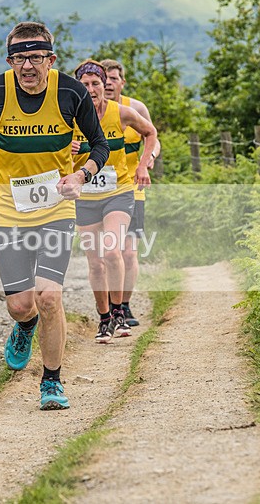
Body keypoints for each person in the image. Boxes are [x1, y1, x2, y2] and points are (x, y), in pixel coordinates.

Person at [0, 22, 109, 410]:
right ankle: (25, 325)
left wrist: (80, 176)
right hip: (9, 209)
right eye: (18, 58)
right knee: (20, 305)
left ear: (51, 59)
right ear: (9, 61)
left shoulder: (71, 92)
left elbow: (99, 144)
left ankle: (51, 381)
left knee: (49, 295)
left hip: (56, 208)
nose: (27, 66)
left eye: (35, 58)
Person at [71, 59, 157, 344]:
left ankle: (119, 311)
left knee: (112, 252)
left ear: (104, 84)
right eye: (85, 85)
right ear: (78, 88)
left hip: (118, 192)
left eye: (96, 83)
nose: (92, 89)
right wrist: (66, 148)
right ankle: (104, 317)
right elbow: (49, 153)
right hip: (85, 197)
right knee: (95, 263)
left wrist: (143, 165)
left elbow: (151, 133)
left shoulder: (121, 112)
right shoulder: (68, 117)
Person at [100, 58, 161, 327]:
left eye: (113, 79)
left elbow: (153, 137)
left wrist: (148, 160)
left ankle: (124, 306)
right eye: (104, 79)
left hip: (131, 186)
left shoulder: (135, 108)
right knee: (106, 254)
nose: (108, 84)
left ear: (122, 82)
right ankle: (108, 308)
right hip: (99, 189)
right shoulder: (89, 110)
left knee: (128, 252)